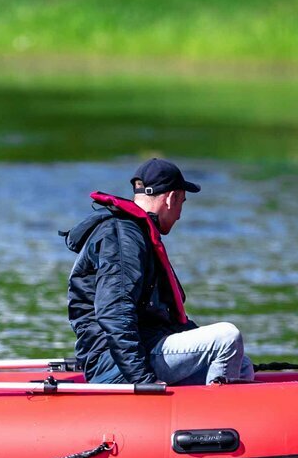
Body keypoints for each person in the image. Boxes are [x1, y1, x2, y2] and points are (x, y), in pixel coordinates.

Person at [63, 157, 252, 386]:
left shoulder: (136, 233)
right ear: (171, 199)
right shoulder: (123, 238)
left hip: (144, 348)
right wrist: (142, 380)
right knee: (227, 338)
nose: (180, 214)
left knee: (242, 364)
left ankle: (202, 400)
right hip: (115, 365)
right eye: (182, 202)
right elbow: (114, 311)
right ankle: (215, 406)